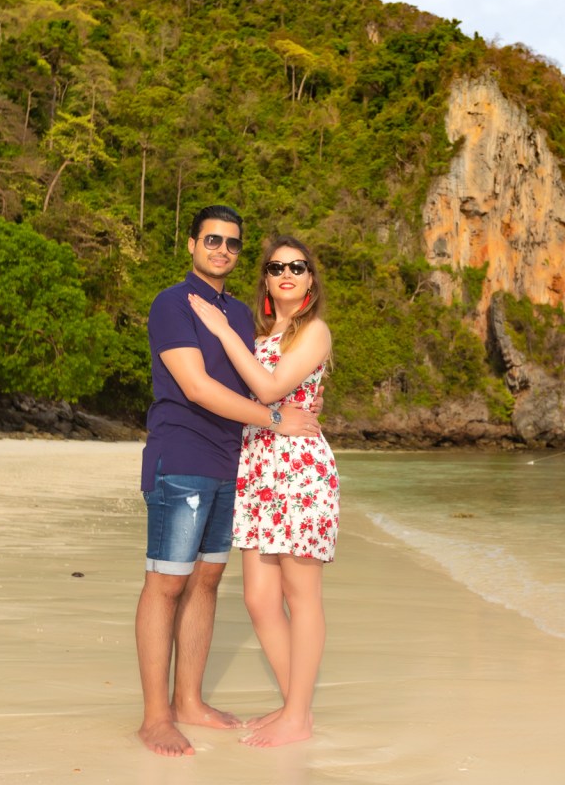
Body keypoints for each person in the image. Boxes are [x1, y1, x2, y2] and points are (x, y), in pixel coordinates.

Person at [136, 206, 322, 758]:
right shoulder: (173, 303)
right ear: (192, 243)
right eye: (212, 239)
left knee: (207, 582)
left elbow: (271, 371)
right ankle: (155, 716)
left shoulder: (241, 315)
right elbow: (194, 386)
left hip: (233, 463)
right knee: (166, 582)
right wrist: (273, 420)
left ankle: (190, 701)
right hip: (183, 453)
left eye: (233, 244)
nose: (222, 249)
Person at [187, 234, 337, 748]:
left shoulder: (314, 332)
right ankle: (296, 706)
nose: (287, 273)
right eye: (276, 268)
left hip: (299, 469)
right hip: (257, 467)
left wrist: (221, 332)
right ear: (267, 281)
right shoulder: (258, 334)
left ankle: (298, 714)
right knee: (258, 599)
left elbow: (271, 390)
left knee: (302, 596)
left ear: (310, 280)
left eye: (298, 266)